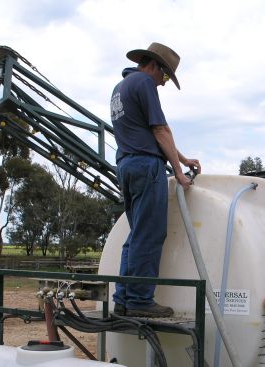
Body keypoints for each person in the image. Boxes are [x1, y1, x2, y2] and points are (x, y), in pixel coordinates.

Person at [110, 42, 201, 317]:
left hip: (126, 165)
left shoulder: (120, 88)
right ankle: (140, 300)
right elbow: (160, 129)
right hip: (146, 166)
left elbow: (151, 131)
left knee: (136, 235)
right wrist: (179, 172)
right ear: (155, 66)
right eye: (165, 76)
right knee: (150, 234)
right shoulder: (145, 84)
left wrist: (182, 159)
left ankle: (123, 300)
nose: (162, 83)